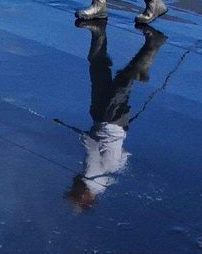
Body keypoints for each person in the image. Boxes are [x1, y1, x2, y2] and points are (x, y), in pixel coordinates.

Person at [65, 20, 168, 211]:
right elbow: (92, 148)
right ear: (86, 197)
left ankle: (102, 38)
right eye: (73, 192)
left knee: (106, 75)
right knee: (120, 80)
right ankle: (152, 46)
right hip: (107, 120)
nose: (71, 186)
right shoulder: (91, 176)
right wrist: (84, 138)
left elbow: (123, 157)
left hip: (111, 122)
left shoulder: (105, 179)